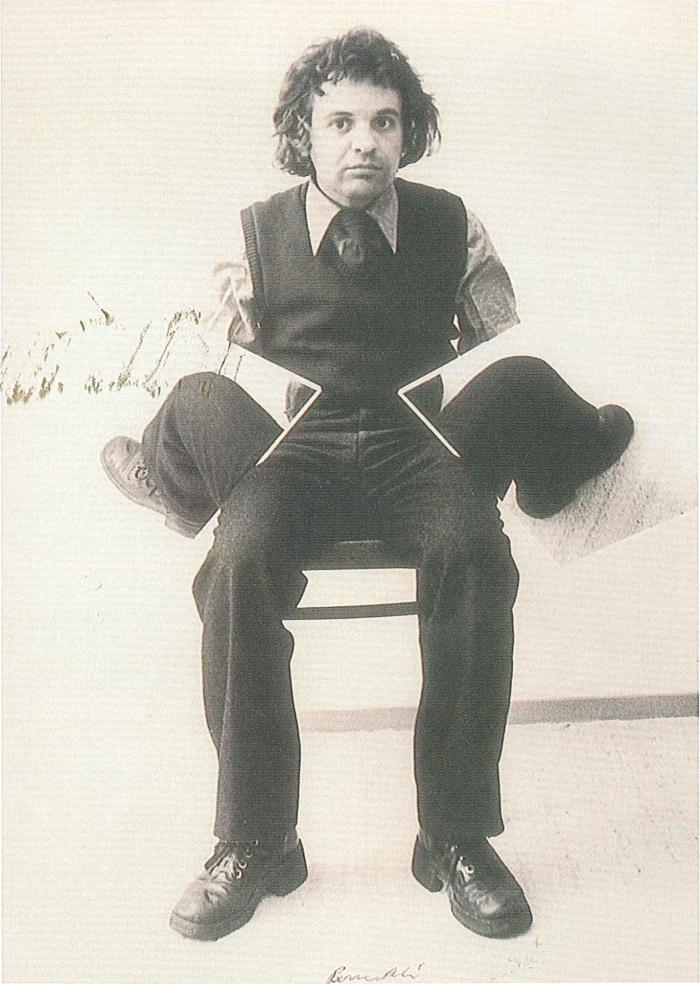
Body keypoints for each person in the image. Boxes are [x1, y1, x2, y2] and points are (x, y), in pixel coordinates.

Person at [101, 28, 633, 943]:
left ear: (408, 132)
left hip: (416, 442)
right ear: (302, 134)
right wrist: (222, 362)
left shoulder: (453, 225)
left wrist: (506, 404)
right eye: (341, 122)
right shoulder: (256, 233)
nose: (364, 142)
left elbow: (501, 348)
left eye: (385, 122)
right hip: (293, 450)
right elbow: (226, 369)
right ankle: (256, 840)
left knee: (476, 546)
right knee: (236, 547)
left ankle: (456, 836)